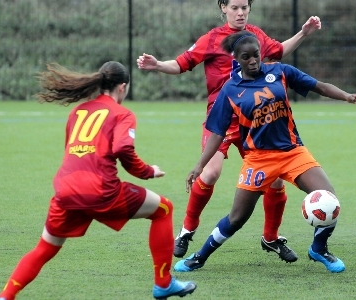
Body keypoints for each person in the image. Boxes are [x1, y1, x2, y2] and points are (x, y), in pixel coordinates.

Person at [137, 0, 322, 263]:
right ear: (223, 7)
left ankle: (270, 238)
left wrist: (303, 32)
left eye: (244, 7)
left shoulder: (255, 35)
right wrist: (157, 65)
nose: (240, 12)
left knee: (277, 179)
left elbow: (279, 51)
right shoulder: (212, 39)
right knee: (210, 171)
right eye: (234, 7)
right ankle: (187, 230)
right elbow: (182, 63)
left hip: (254, 119)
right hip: (223, 118)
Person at [173, 31, 356, 274]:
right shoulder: (231, 90)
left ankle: (318, 249)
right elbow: (217, 133)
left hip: (293, 152)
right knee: (237, 218)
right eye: (247, 57)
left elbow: (318, 86)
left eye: (256, 55)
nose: (253, 61)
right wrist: (199, 166)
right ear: (237, 59)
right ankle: (199, 257)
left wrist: (347, 96)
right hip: (258, 159)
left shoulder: (281, 72)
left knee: (329, 198)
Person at [0, 61, 197, 300]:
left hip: (66, 190)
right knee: (164, 208)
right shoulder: (122, 113)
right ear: (122, 87)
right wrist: (147, 171)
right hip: (101, 189)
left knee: (45, 248)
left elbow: (71, 151)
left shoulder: (78, 111)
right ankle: (163, 284)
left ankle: (5, 296)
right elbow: (123, 148)